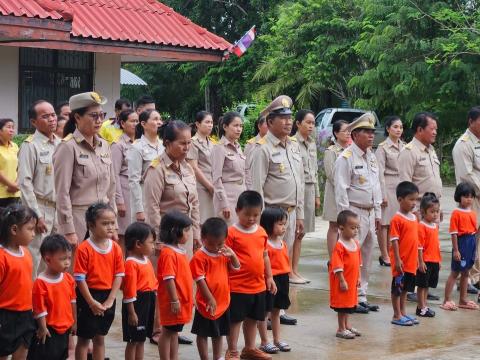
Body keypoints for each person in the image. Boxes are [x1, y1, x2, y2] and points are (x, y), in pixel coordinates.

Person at [250, 95, 305, 289]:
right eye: (283, 118)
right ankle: (266, 312)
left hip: (289, 214)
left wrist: (300, 215)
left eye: (290, 117)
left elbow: (299, 183)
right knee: (268, 264)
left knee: (284, 263)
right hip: (271, 214)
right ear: (270, 122)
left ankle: (278, 311)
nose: (288, 122)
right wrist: (259, 222)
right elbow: (256, 188)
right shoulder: (262, 149)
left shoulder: (293, 145)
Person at [53, 91, 117, 248]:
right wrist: (68, 229)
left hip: (102, 220)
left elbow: (111, 188)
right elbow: (62, 192)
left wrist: (113, 224)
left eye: (102, 115)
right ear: (77, 117)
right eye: (94, 116)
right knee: (77, 269)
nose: (99, 120)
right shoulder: (68, 147)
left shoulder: (104, 145)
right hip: (78, 220)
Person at [334, 113, 381, 313]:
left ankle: (361, 295)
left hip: (370, 213)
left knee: (367, 257)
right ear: (355, 135)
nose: (371, 136)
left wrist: (378, 212)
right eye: (366, 132)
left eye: (372, 132)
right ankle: (350, 296)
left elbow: (375, 186)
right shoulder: (346, 158)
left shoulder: (371, 156)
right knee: (351, 257)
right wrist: (346, 219)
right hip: (354, 212)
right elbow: (341, 189)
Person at [225, 191, 276, 360]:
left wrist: (269, 277)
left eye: (256, 215)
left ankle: (249, 348)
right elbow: (225, 259)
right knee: (236, 320)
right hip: (237, 285)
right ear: (237, 210)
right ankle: (232, 350)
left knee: (253, 318)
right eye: (247, 214)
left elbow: (265, 255)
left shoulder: (261, 232)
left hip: (258, 285)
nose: (251, 219)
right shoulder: (231, 233)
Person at [398, 112, 442, 302]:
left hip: (431, 212)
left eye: (436, 129)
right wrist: (412, 212)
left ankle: (422, 285)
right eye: (432, 129)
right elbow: (406, 184)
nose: (435, 133)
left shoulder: (430, 150)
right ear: (419, 129)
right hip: (417, 212)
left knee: (429, 250)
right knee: (416, 250)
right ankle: (412, 288)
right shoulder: (409, 152)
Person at [73, 203, 124, 360]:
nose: (110, 227)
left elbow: (119, 274)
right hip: (88, 295)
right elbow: (80, 278)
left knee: (100, 338)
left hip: (107, 297)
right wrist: (91, 302)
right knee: (83, 339)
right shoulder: (84, 248)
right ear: (91, 225)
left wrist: (110, 299)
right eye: (105, 223)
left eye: (112, 223)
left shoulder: (115, 248)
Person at [144, 120, 200, 257]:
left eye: (189, 143)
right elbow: (152, 207)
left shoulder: (187, 168)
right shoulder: (157, 169)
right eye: (182, 143)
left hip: (186, 234)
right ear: (168, 143)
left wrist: (196, 233)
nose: (186, 148)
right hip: (167, 237)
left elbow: (194, 204)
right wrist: (157, 239)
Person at [18, 100, 60, 277]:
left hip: (59, 209)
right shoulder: (30, 146)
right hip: (39, 208)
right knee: (35, 258)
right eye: (45, 116)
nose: (51, 119)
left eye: (53, 115)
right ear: (33, 122)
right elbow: (24, 183)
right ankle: (30, 301)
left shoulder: (61, 144)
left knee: (56, 257)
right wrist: (37, 215)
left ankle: (47, 300)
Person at [190, 217, 240, 360]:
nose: (216, 247)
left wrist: (233, 256)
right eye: (211, 243)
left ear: (225, 239)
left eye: (220, 243)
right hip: (205, 303)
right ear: (203, 238)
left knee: (219, 333)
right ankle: (205, 357)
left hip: (223, 301)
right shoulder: (199, 256)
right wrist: (209, 299)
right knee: (203, 333)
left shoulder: (224, 252)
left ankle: (218, 357)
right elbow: (200, 280)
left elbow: (236, 268)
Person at [28, 234, 76, 360]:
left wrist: (74, 323)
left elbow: (73, 302)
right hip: (49, 329)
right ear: (48, 260)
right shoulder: (40, 282)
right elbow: (39, 310)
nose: (67, 263)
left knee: (62, 355)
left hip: (65, 328)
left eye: (69, 258)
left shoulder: (68, 278)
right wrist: (43, 328)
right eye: (62, 259)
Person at [0, 205, 38, 359]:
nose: (34, 234)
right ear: (14, 230)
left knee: (22, 351)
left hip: (26, 313)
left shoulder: (27, 253)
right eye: (30, 229)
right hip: (4, 315)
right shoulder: (2, 257)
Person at [156, 211, 194, 360]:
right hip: (173, 301)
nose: (188, 234)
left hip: (180, 300)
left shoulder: (179, 251)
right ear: (174, 231)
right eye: (186, 230)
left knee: (174, 333)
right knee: (167, 332)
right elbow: (169, 279)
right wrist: (174, 300)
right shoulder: (168, 253)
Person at [452, 106, 480, 295]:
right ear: (471, 121)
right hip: (472, 198)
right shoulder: (463, 144)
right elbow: (467, 175)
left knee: (477, 239)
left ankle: (475, 276)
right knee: (469, 239)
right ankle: (467, 277)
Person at [441, 182, 480, 311]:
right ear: (459, 197)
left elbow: (474, 233)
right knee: (455, 272)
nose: (469, 199)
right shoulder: (456, 213)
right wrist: (456, 250)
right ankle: (446, 299)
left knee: (466, 273)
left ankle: (463, 299)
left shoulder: (473, 213)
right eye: (465, 196)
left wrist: (474, 251)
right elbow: (454, 233)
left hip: (470, 243)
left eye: (471, 196)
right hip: (461, 243)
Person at [258, 207, 292, 353]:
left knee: (277, 311)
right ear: (268, 224)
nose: (283, 227)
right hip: (270, 280)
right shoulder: (265, 244)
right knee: (265, 312)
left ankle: (277, 339)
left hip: (283, 278)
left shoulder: (282, 243)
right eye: (280, 224)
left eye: (284, 224)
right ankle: (265, 341)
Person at [122, 222, 158, 360]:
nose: (153, 246)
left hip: (148, 300)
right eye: (151, 242)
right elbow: (129, 291)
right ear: (138, 244)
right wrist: (131, 313)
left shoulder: (146, 260)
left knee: (141, 339)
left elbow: (153, 282)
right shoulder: (131, 263)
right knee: (133, 340)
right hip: (136, 303)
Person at [293, 109, 320, 281]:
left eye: (313, 123)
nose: (311, 126)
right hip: (298, 189)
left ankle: (294, 269)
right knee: (293, 231)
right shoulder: (292, 143)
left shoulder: (311, 143)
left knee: (301, 232)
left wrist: (317, 194)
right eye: (308, 122)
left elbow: (315, 170)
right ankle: (288, 269)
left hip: (310, 189)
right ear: (298, 124)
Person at [389, 181, 420, 326]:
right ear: (400, 200)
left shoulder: (414, 217)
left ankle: (403, 312)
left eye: (416, 199)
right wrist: (397, 259)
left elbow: (416, 239)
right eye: (411, 199)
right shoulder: (397, 219)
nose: (414, 203)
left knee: (406, 289)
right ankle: (396, 315)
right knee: (397, 289)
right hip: (401, 261)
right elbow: (394, 240)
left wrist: (419, 259)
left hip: (411, 262)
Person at [375, 116, 404, 267]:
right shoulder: (382, 148)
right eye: (395, 127)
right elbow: (379, 172)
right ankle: (384, 254)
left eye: (400, 127)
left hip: (401, 187)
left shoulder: (404, 146)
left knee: (395, 223)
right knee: (384, 223)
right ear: (388, 129)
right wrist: (382, 193)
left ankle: (393, 252)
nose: (398, 130)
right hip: (387, 184)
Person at [329, 210, 362, 339]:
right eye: (352, 228)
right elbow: (337, 266)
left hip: (352, 281)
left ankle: (347, 325)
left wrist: (358, 277)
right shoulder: (339, 246)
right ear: (341, 228)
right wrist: (342, 280)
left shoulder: (356, 244)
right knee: (342, 306)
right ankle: (341, 328)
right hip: (343, 281)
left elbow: (359, 262)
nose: (355, 231)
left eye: (357, 228)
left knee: (349, 304)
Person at [127, 109, 164, 223]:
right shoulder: (137, 147)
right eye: (155, 119)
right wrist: (139, 209)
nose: (159, 122)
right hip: (145, 200)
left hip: (162, 200)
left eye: (160, 119)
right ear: (143, 124)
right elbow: (134, 180)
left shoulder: (164, 145)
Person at [211, 111, 246, 226]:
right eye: (235, 126)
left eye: (241, 126)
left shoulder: (238, 147)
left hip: (241, 196)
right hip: (227, 197)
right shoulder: (219, 148)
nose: (239, 129)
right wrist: (224, 203)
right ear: (225, 127)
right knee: (229, 232)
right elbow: (216, 178)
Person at [111, 109, 139, 249]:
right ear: (122, 123)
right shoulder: (118, 145)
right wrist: (119, 200)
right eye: (132, 121)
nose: (136, 124)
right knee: (123, 235)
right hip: (125, 191)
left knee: (138, 234)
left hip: (138, 192)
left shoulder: (140, 143)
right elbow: (114, 174)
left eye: (137, 121)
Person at [323, 120, 350, 257]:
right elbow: (330, 174)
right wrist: (344, 187)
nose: (348, 133)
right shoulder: (331, 151)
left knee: (347, 226)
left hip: (350, 194)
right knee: (334, 226)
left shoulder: (352, 150)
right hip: (334, 193)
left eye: (349, 130)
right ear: (336, 133)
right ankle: (333, 258)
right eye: (345, 130)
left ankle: (344, 256)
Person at [186, 111, 216, 223]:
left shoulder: (212, 142)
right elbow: (194, 167)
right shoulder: (192, 143)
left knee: (214, 219)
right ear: (198, 124)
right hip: (201, 186)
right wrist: (209, 186)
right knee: (202, 219)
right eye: (207, 122)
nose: (210, 125)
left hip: (214, 185)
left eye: (212, 122)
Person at [415, 193, 441, 317]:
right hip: (425, 260)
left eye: (437, 211)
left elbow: (436, 244)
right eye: (432, 211)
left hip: (434, 259)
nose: (435, 214)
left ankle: (424, 305)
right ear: (423, 212)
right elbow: (419, 246)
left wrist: (439, 260)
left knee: (427, 285)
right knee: (422, 285)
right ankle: (421, 307)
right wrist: (420, 261)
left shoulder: (435, 226)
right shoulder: (421, 226)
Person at [0, 118, 20, 208]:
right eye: (8, 127)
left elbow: (20, 167)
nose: (12, 130)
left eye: (13, 127)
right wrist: (11, 185)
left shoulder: (15, 146)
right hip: (1, 193)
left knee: (13, 221)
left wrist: (16, 185)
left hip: (14, 193)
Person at [245, 115, 268, 189]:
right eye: (266, 124)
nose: (269, 127)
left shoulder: (274, 143)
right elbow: (246, 167)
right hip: (254, 183)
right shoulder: (251, 144)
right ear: (259, 126)